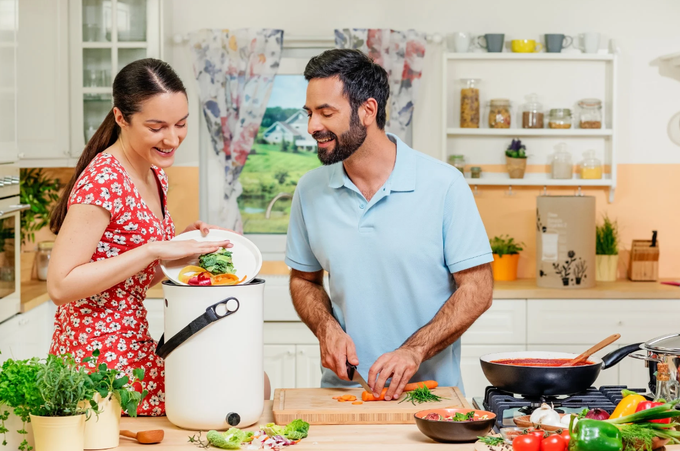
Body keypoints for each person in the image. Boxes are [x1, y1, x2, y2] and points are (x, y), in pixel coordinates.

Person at [47, 58, 270, 416]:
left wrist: (182, 251)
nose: (172, 138)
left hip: (133, 344)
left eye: (180, 124)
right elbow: (60, 285)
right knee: (238, 394)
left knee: (251, 384)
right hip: (98, 361)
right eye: (156, 127)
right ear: (121, 118)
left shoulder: (154, 174)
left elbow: (128, 279)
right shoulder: (104, 180)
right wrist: (153, 249)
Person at [285, 49, 494, 402]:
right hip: (343, 396)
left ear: (368, 110)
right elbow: (303, 279)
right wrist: (326, 327)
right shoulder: (310, 190)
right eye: (309, 113)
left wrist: (414, 350)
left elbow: (478, 288)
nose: (312, 127)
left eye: (326, 113)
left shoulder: (443, 184)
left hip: (429, 396)